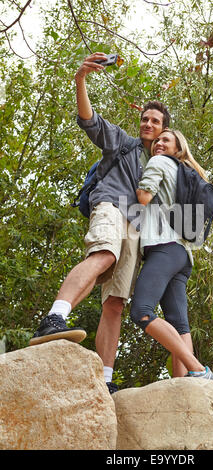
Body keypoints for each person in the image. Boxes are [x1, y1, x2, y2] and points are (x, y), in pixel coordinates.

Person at [29, 52, 171, 393]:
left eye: (155, 122)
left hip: (135, 229)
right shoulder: (123, 143)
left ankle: (105, 382)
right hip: (109, 206)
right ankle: (54, 318)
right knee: (103, 255)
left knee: (115, 303)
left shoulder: (164, 167)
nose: (148, 125)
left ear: (165, 130)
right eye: (145, 120)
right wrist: (80, 79)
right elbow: (89, 120)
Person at [130, 129, 213, 380]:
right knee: (180, 326)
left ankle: (198, 369)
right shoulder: (183, 171)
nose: (158, 143)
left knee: (141, 311)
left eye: (166, 140)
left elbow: (144, 197)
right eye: (157, 140)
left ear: (178, 147)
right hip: (182, 255)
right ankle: (185, 384)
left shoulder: (158, 162)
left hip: (163, 247)